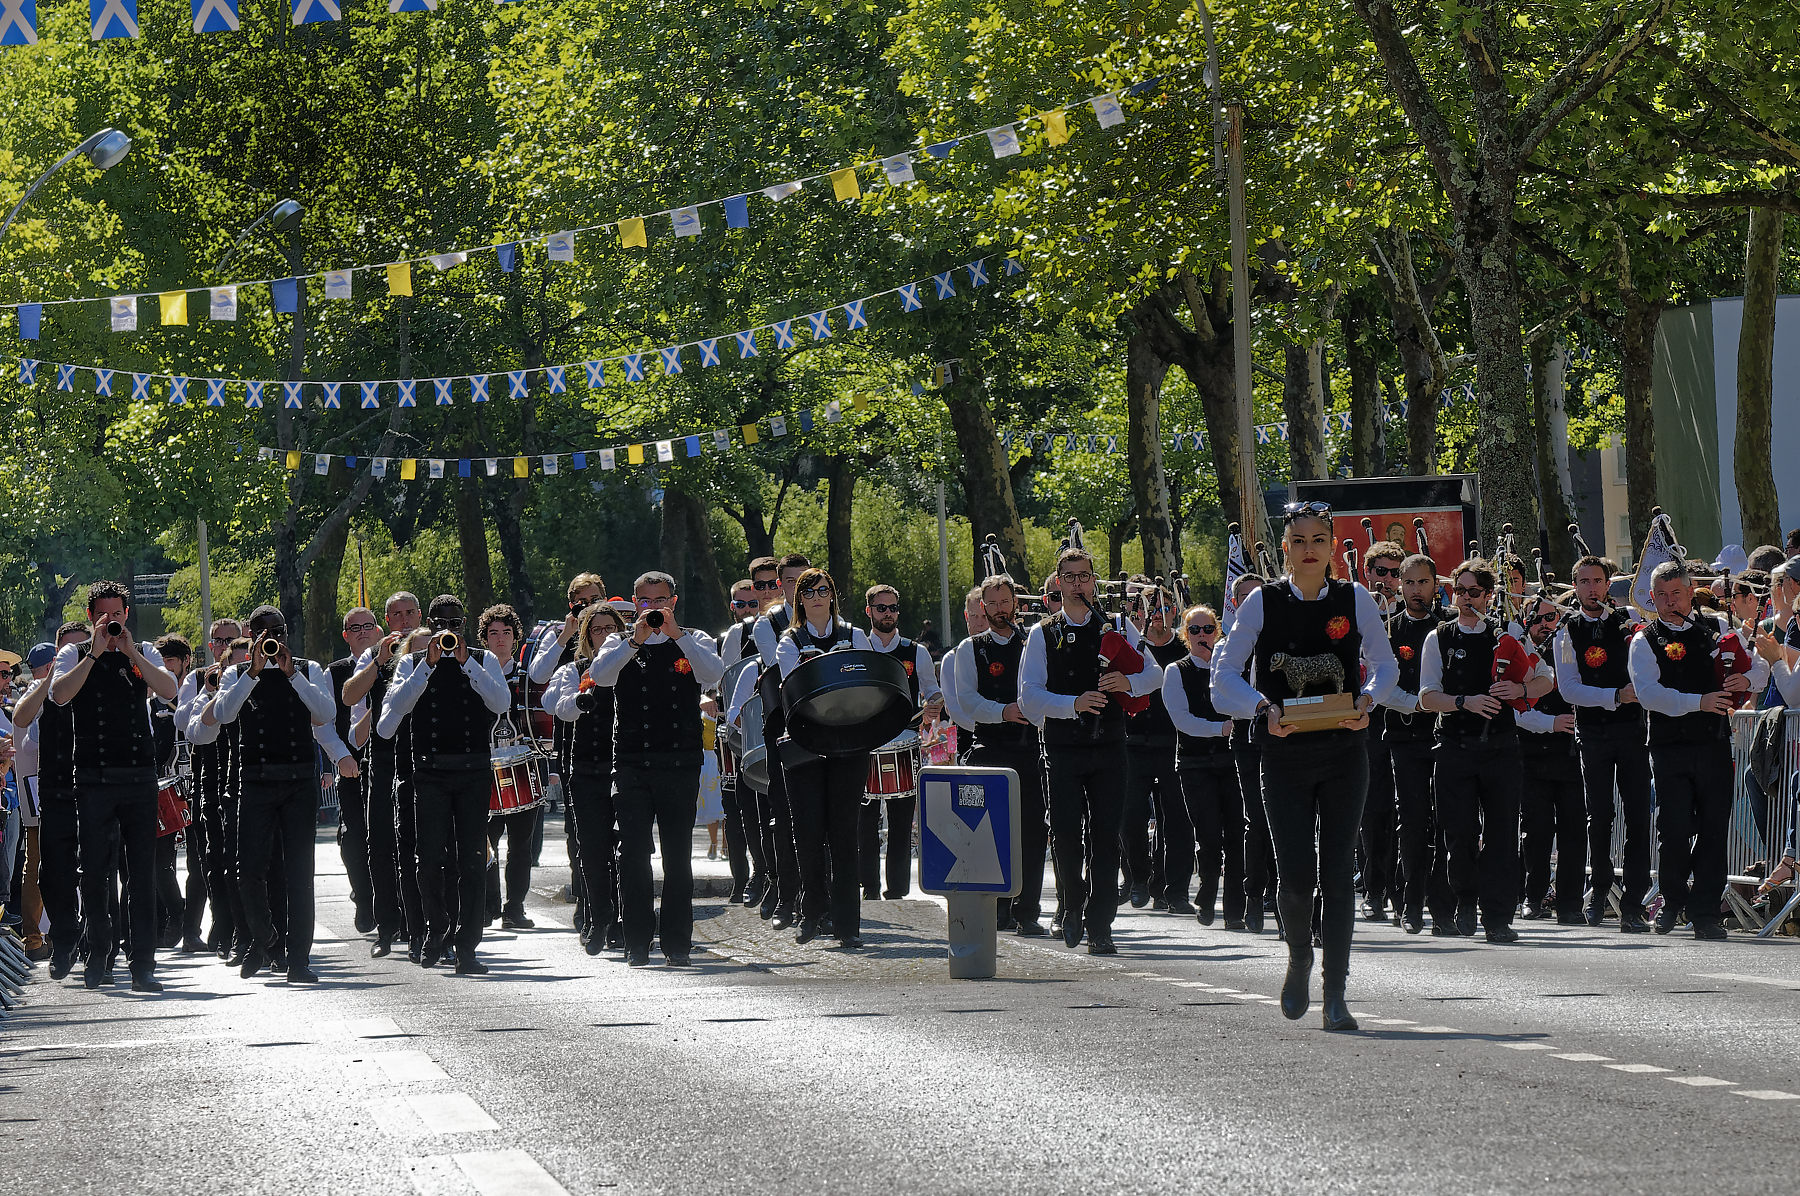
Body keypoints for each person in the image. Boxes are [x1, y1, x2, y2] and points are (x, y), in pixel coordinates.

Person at [1211, 504, 1397, 1031]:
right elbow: (1224, 675)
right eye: (1299, 539)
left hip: (1343, 750)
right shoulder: (1262, 603)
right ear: (1285, 547)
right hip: (1284, 752)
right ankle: (1298, 956)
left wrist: (1368, 700)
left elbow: (1385, 665)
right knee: (1295, 875)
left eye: (1319, 538)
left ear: (1333, 545)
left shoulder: (1355, 599)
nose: (1309, 547)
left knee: (1338, 873)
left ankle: (1335, 994)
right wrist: (1262, 709)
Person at [1020, 546, 1161, 956]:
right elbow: (1028, 698)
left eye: (1085, 577)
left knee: (1105, 836)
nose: (1078, 584)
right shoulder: (1042, 633)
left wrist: (1127, 683)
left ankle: (1101, 925)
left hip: (1111, 746)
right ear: (1058, 583)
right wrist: (1072, 704)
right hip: (1063, 748)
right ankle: (1071, 907)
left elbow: (1154, 673)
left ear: (1094, 582)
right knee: (1066, 836)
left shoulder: (1117, 625)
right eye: (1070, 577)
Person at [199, 606, 344, 982]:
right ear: (251, 636)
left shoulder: (308, 670)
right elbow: (226, 715)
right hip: (256, 780)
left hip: (298, 782)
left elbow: (326, 713)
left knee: (299, 874)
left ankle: (299, 960)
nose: (270, 639)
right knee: (247, 870)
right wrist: (253, 671)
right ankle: (265, 938)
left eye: (275, 632)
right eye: (262, 634)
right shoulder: (236, 673)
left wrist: (290, 671)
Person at [49, 581, 180, 992]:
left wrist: (129, 650)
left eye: (118, 614)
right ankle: (98, 953)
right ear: (91, 617)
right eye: (104, 615)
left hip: (139, 774)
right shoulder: (75, 653)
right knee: (95, 873)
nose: (112, 622)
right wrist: (94, 650)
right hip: (93, 777)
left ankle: (143, 961)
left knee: (141, 874)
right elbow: (59, 694)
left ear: (127, 614)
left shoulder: (143, 651)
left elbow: (169, 690)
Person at [588, 572, 724, 966]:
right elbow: (600, 676)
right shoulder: (619, 642)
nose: (652, 609)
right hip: (631, 762)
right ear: (634, 602)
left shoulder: (694, 639)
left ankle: (677, 942)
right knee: (632, 853)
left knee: (677, 856)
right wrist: (636, 639)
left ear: (674, 602)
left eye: (660, 600)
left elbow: (712, 674)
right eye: (645, 602)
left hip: (679, 762)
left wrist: (675, 632)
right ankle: (635, 941)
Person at [377, 595, 512, 974]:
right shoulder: (410, 664)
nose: (448, 632)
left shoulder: (483, 661)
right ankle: (437, 929)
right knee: (429, 858)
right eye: (441, 624)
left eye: (455, 624)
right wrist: (427, 668)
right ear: (431, 626)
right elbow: (388, 725)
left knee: (472, 861)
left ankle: (468, 946)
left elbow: (501, 702)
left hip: (472, 770)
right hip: (430, 772)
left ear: (464, 626)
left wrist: (467, 661)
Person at [1418, 559, 1551, 945]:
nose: (1464, 599)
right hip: (1455, 746)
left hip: (1500, 749)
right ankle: (1464, 896)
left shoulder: (1507, 634)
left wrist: (1521, 691)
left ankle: (1497, 917)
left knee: (1501, 835)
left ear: (1490, 595)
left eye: (1473, 592)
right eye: (1459, 591)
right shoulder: (1438, 637)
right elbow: (1427, 697)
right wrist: (1464, 702)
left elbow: (1544, 679)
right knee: (1458, 834)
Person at [1629, 560, 1763, 938]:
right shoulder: (1645, 639)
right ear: (1652, 598)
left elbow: (1759, 668)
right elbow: (1648, 694)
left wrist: (1745, 678)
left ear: (1691, 592)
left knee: (1713, 828)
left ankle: (1704, 912)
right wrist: (1698, 701)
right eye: (1663, 595)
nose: (1672, 602)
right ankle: (1672, 901)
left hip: (1714, 742)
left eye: (1678, 593)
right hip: (1670, 746)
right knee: (1673, 827)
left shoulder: (1718, 628)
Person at [1554, 556, 1655, 930]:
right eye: (1584, 581)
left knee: (1638, 815)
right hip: (1594, 733)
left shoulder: (1628, 621)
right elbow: (1569, 688)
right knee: (1599, 817)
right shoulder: (1568, 631)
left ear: (1608, 583)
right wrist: (1616, 695)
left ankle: (1633, 903)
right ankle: (1598, 894)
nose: (1592, 588)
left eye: (1598, 581)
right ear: (1575, 586)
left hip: (1632, 731)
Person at [775, 567, 874, 948]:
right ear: (799, 599)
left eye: (823, 590)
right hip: (806, 741)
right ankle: (811, 912)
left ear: (833, 595)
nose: (817, 597)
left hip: (849, 741)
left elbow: (866, 678)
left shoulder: (855, 635)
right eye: (808, 591)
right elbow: (797, 688)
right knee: (809, 833)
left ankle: (848, 923)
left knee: (845, 834)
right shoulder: (789, 641)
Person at [952, 576, 1047, 934]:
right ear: (982, 608)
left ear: (1016, 603)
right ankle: (997, 909)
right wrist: (1003, 711)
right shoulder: (970, 648)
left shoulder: (1033, 642)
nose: (999, 610)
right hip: (991, 749)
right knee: (990, 834)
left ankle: (1029, 912)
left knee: (1033, 832)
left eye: (1005, 602)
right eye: (991, 604)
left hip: (1031, 749)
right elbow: (967, 701)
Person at [343, 591, 425, 957]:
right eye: (396, 615)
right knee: (380, 846)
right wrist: (380, 663)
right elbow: (350, 702)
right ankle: (388, 928)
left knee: (422, 846)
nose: (404, 620)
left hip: (424, 758)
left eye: (410, 613)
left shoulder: (432, 646)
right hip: (384, 759)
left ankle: (422, 925)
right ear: (386, 622)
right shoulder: (374, 655)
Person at [1381, 554, 1454, 935]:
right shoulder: (1388, 630)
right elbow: (1379, 686)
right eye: (1408, 582)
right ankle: (1410, 904)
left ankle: (1443, 908)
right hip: (1405, 736)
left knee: (1446, 822)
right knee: (1411, 821)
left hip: (1445, 736)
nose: (1415, 590)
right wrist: (1420, 702)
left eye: (1422, 582)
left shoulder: (1449, 627)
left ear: (1434, 585)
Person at [548, 603, 626, 955]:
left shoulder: (631, 665)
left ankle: (626, 919)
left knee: (629, 849)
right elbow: (558, 706)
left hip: (625, 768)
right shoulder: (575, 670)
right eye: (598, 629)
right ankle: (597, 919)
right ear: (587, 637)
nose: (606, 635)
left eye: (612, 628)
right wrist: (581, 698)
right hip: (586, 769)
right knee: (592, 850)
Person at [12, 625, 88, 976]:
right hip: (46, 789)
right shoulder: (38, 690)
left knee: (94, 865)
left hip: (86, 787)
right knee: (45, 868)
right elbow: (26, 739)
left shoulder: (91, 683)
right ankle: (53, 933)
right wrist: (50, 685)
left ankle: (90, 938)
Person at [859, 583, 941, 901]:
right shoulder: (857, 646)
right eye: (882, 608)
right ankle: (868, 885)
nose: (889, 613)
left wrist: (935, 703)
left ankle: (898, 889)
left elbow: (931, 690)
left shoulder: (915, 651)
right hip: (864, 741)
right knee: (865, 818)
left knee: (901, 818)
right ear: (869, 611)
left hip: (905, 740)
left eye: (893, 608)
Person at [1165, 605, 1240, 927]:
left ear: (1217, 632)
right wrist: (1219, 728)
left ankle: (1236, 909)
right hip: (1195, 764)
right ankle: (1207, 895)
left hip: (1232, 761)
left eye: (1207, 629)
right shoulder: (1176, 671)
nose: (1201, 636)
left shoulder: (1229, 669)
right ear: (1185, 635)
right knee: (1209, 836)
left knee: (1238, 834)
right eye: (1194, 630)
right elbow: (1182, 720)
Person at [1121, 582, 1192, 913]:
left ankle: (1174, 890)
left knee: (1177, 820)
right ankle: (1138, 876)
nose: (1159, 617)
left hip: (1174, 745)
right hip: (1132, 745)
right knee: (1131, 817)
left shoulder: (1185, 648)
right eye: (1152, 610)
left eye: (1165, 609)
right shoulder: (1131, 647)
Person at [1516, 594, 1586, 924]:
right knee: (1537, 833)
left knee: (1574, 832)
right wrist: (1550, 723)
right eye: (1540, 619)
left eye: (1552, 618)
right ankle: (1534, 897)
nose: (1548, 626)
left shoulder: (1571, 652)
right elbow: (1514, 708)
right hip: (1534, 755)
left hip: (1571, 757)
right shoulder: (1520, 653)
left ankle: (1570, 902)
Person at [751, 553, 810, 927]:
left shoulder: (837, 622)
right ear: (780, 585)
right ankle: (787, 894)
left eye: (807, 580)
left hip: (824, 724)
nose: (799, 587)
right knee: (784, 813)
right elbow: (788, 669)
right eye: (790, 581)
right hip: (784, 724)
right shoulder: (767, 624)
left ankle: (823, 897)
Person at [478, 603, 540, 931]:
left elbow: (541, 721)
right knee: (485, 841)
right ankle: (488, 904)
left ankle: (514, 906)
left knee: (521, 844)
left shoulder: (529, 675)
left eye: (506, 633)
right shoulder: (475, 673)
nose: (500, 639)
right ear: (484, 639)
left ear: (515, 638)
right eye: (493, 633)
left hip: (523, 763)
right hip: (484, 766)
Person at [1224, 572, 1276, 933]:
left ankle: (1286, 895)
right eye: (1244, 596)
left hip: (1287, 735)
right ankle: (1254, 896)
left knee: (1288, 819)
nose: (1251, 601)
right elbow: (1220, 695)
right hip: (1248, 738)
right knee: (1257, 819)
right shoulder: (1229, 645)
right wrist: (1262, 707)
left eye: (1258, 595)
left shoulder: (1282, 638)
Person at [1359, 542, 1407, 921]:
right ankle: (1375, 890)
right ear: (1367, 572)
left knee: (1409, 813)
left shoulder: (1413, 617)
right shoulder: (1356, 615)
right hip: (1369, 727)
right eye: (1381, 572)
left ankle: (1406, 891)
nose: (1387, 581)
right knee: (1374, 814)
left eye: (1395, 573)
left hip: (1410, 728)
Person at [327, 608, 381, 935]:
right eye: (354, 627)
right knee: (353, 837)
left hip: (387, 761)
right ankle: (363, 897)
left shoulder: (395, 663)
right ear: (345, 635)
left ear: (377, 631)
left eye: (368, 626)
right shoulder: (334, 672)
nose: (362, 631)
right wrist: (341, 757)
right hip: (351, 763)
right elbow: (325, 721)